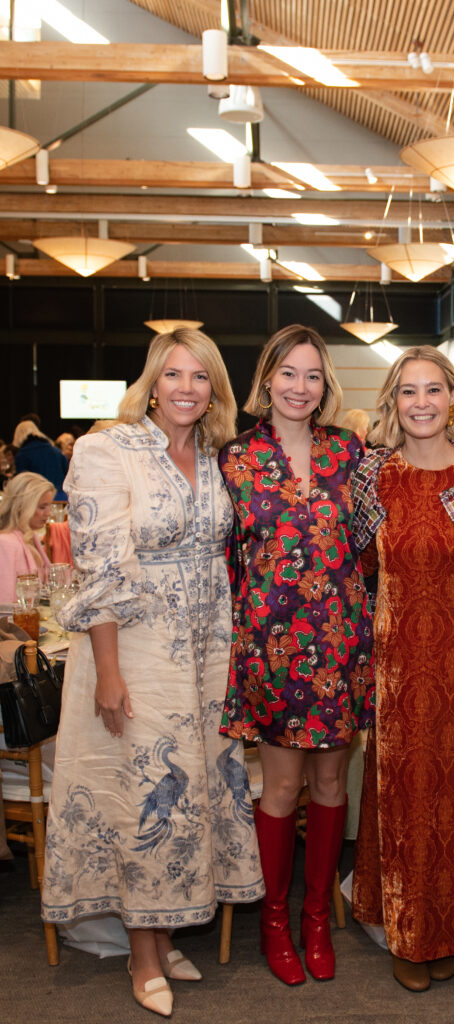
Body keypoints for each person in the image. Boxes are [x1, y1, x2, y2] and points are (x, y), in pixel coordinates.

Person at [41, 328, 264, 1019]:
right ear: (151, 381)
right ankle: (142, 955)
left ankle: (163, 935)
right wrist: (108, 673)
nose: (187, 389)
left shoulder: (211, 453)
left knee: (187, 790)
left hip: (204, 653)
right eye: (173, 375)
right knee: (142, 797)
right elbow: (101, 568)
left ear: (214, 389)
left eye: (201, 377)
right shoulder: (110, 450)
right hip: (134, 651)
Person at [351, 346, 454, 992]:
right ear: (393, 402)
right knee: (403, 798)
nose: (420, 403)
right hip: (395, 667)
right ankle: (407, 928)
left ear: (453, 398)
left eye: (433, 390)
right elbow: (355, 571)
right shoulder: (372, 479)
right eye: (407, 392)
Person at [219, 324, 374, 986]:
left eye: (312, 375)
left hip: (338, 647)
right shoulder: (235, 457)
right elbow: (222, 558)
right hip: (272, 650)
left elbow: (376, 546)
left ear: (325, 385)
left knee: (332, 785)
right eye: (288, 373)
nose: (300, 387)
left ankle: (317, 919)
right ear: (267, 379)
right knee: (281, 787)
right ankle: (274, 923)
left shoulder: (351, 453)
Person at [0, 471, 54, 602]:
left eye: (49, 506)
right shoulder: (5, 543)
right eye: (42, 507)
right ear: (22, 506)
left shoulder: (31, 537)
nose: (49, 513)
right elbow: (4, 603)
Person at [12, 420, 69, 500]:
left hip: (37, 500)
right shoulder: (57, 451)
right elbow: (68, 474)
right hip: (61, 499)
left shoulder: (22, 455)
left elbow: (22, 484)